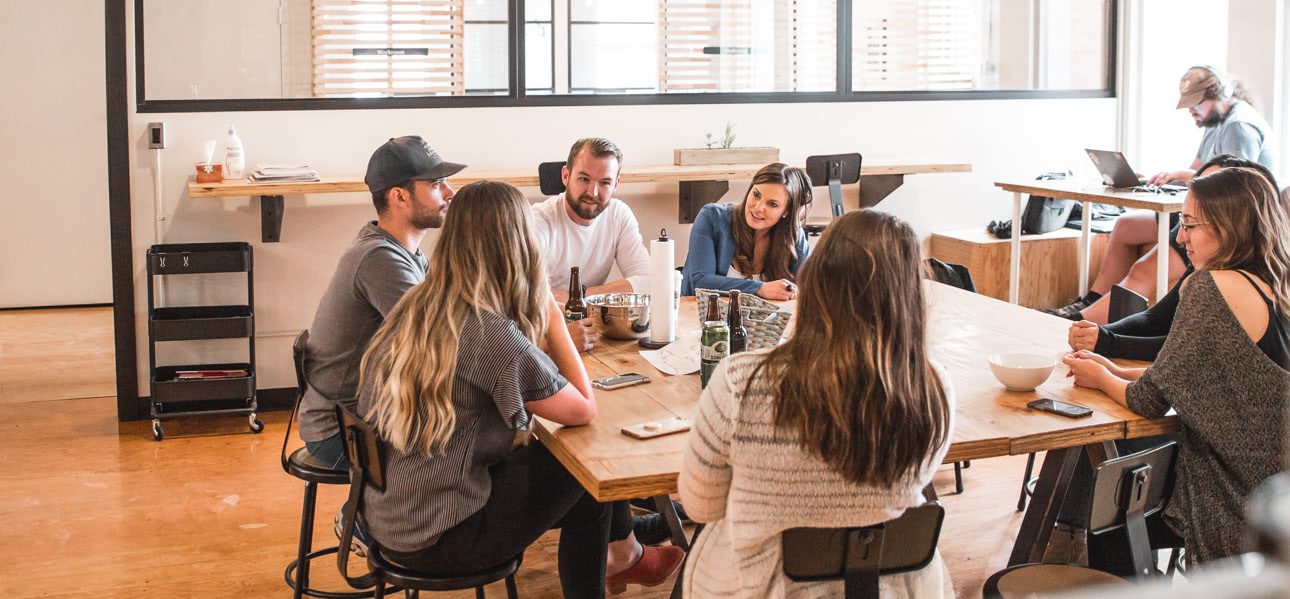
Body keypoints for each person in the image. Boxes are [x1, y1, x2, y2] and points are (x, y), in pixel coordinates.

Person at [356, 181, 684, 599]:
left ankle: (622, 557)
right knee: (587, 466)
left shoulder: (418, 306)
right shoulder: (488, 333)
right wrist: (550, 314)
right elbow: (583, 408)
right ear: (520, 247)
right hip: (441, 536)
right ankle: (621, 558)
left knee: (568, 466)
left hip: (391, 517)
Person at [679, 209, 955, 597]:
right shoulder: (932, 386)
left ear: (814, 279)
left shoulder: (742, 380)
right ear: (910, 294)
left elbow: (701, 505)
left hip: (764, 586)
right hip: (892, 585)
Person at [1064, 166, 1290, 566]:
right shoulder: (1275, 282)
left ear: (1228, 226)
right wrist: (1111, 371)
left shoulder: (1212, 286)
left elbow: (1149, 400)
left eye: (1188, 224)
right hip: (1275, 492)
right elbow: (1191, 375)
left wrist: (1100, 377)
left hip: (1235, 498)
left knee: (1111, 508)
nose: (1180, 237)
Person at [1051, 65, 1279, 322]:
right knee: (1126, 226)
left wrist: (1184, 176)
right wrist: (1162, 178)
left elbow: (1235, 189)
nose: (1192, 111)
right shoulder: (1215, 122)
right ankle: (1093, 299)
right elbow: (1198, 170)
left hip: (1225, 223)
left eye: (1197, 103)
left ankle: (1083, 323)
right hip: (1208, 213)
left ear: (1221, 95)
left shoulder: (1240, 126)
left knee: (1142, 270)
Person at [297, 135, 463, 470]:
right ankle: (369, 520)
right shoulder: (380, 259)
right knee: (476, 450)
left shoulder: (404, 253)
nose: (450, 193)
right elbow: (441, 340)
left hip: (365, 418)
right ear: (400, 196)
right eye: (436, 184)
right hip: (345, 434)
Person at [1068, 155, 1280, 360]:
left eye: (1190, 222)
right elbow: (1158, 320)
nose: (1180, 237)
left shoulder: (1228, 284)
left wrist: (1106, 342)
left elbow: (1179, 357)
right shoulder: (1220, 266)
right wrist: (1098, 333)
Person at [532, 138, 651, 352]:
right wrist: (598, 302)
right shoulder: (538, 221)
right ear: (566, 176)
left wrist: (581, 300)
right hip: (546, 335)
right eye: (584, 179)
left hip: (595, 334)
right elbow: (529, 296)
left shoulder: (619, 214)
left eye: (605, 183)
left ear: (616, 184)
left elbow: (648, 282)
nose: (593, 192)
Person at [681, 163, 813, 300]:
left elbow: (810, 287)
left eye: (772, 204)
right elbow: (700, 282)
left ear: (787, 211)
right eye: (756, 194)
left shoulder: (793, 235)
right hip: (700, 318)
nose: (758, 207)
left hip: (766, 321)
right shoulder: (712, 217)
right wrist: (759, 288)